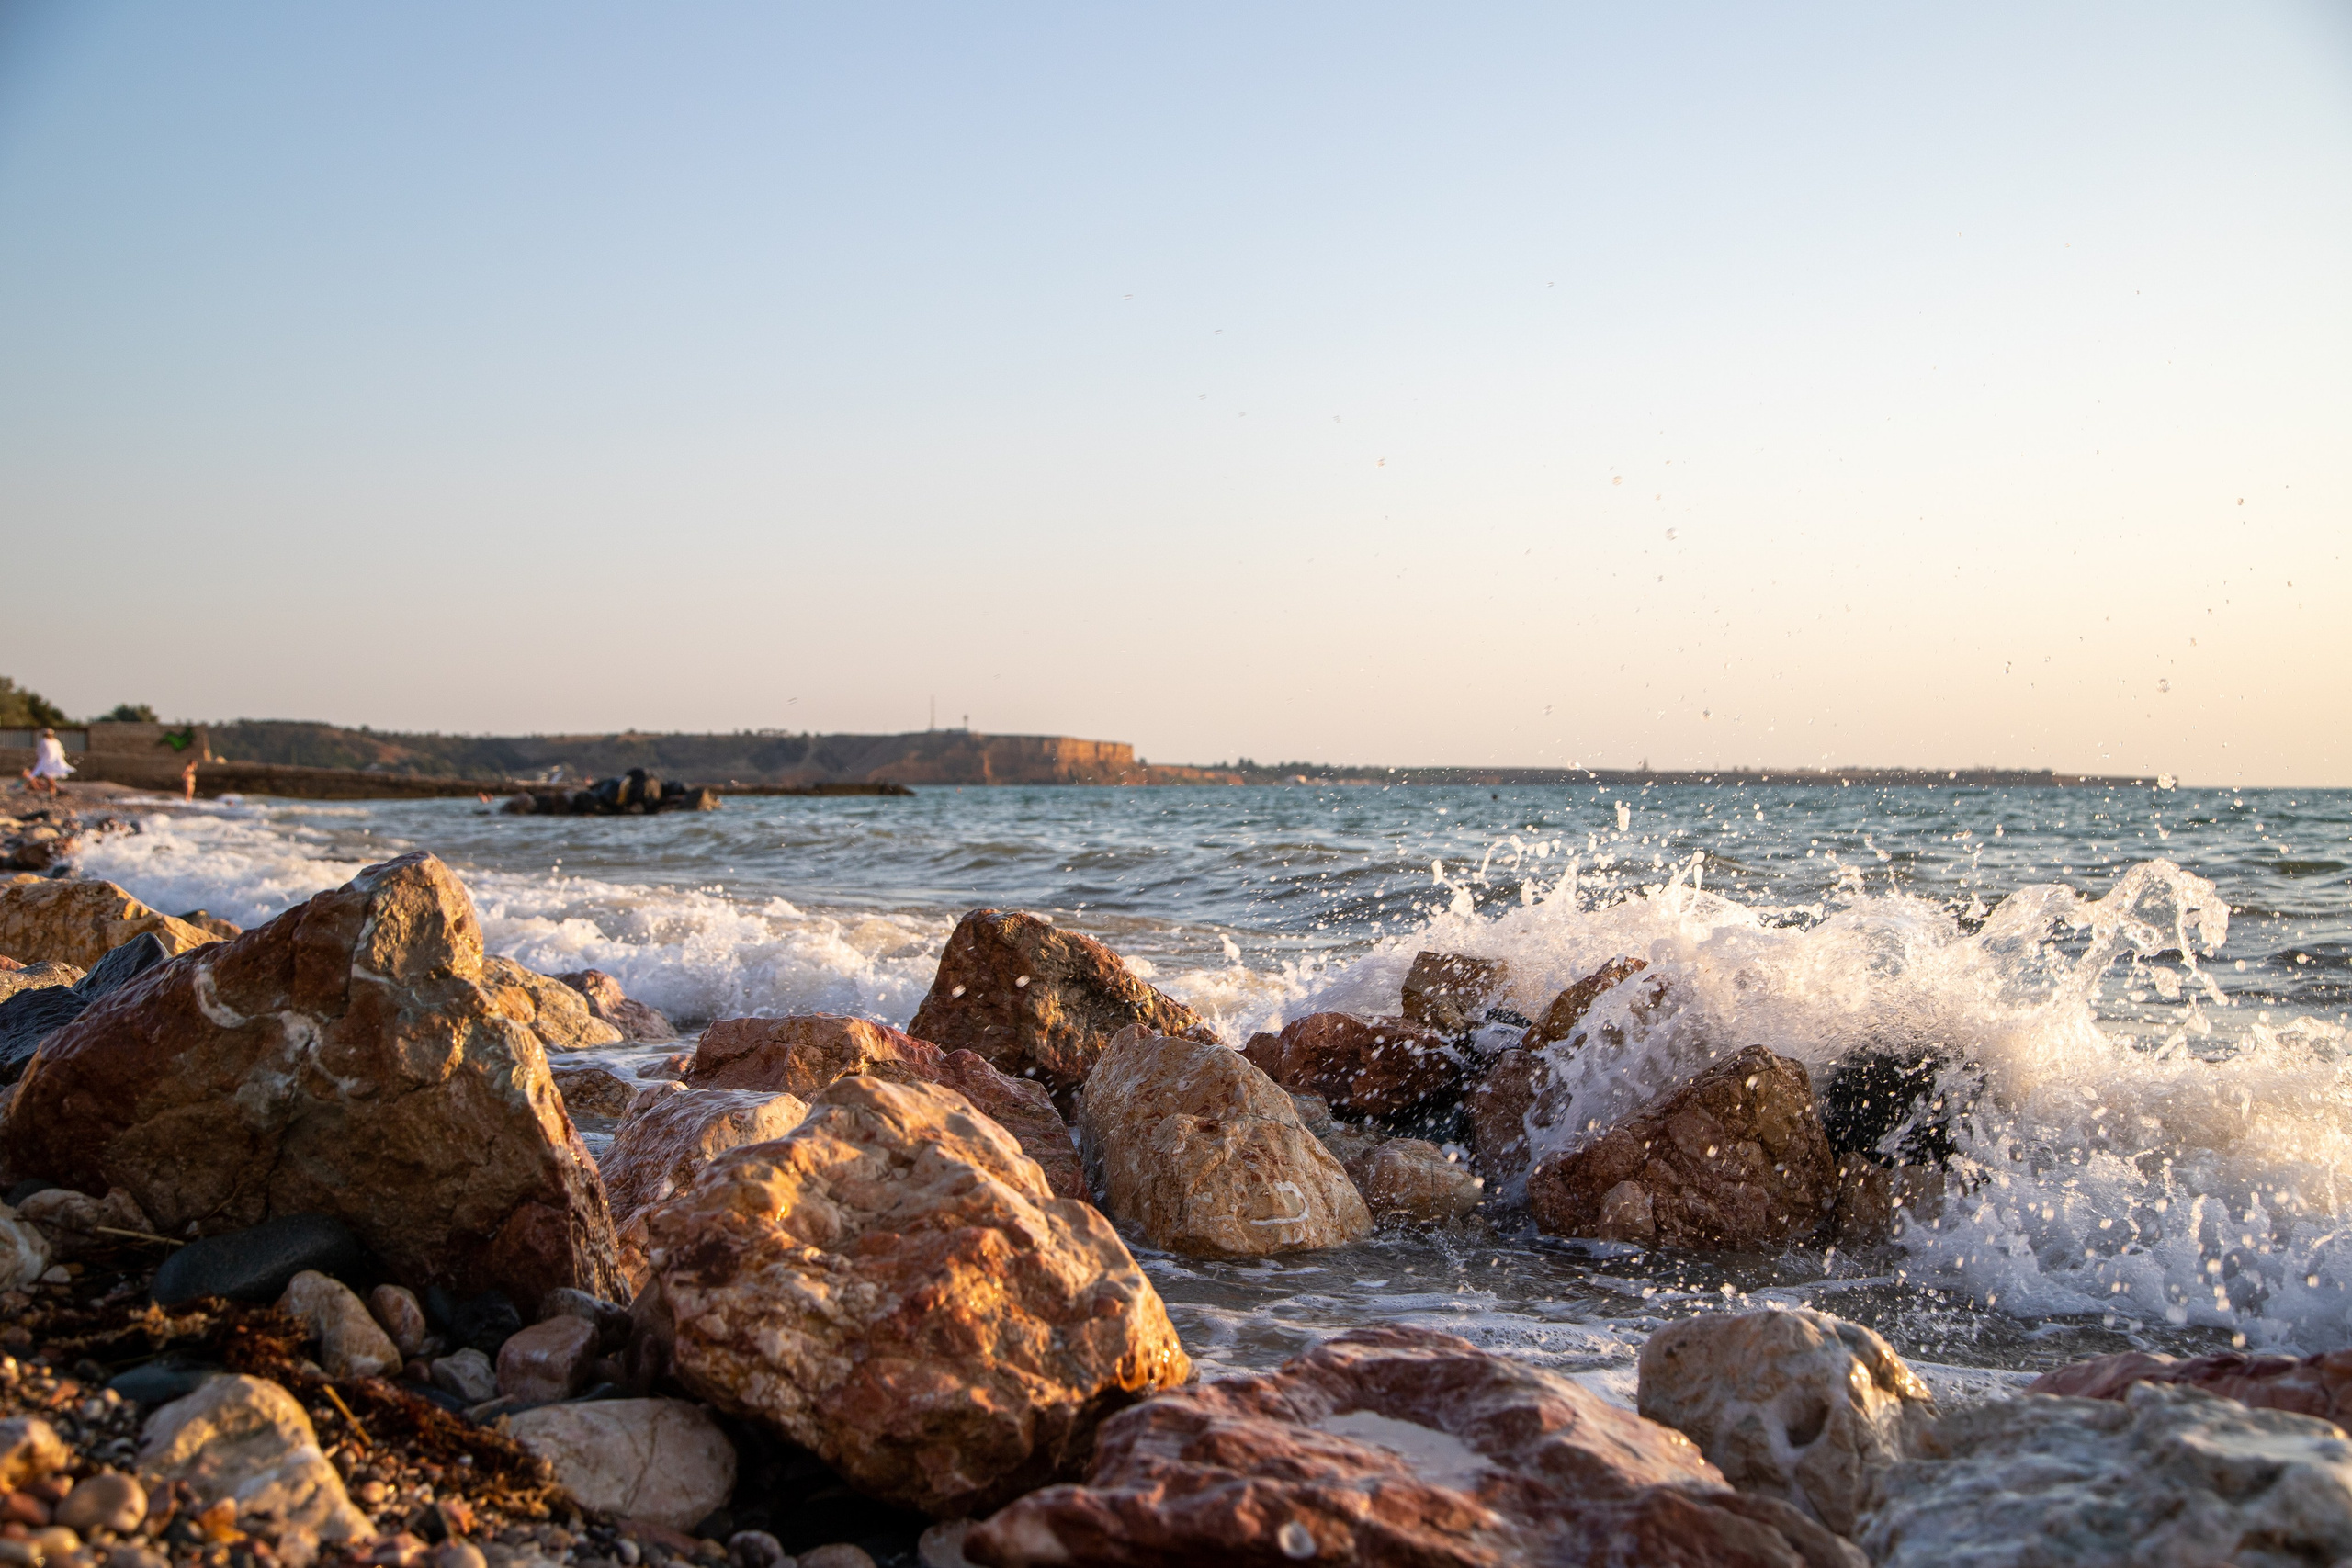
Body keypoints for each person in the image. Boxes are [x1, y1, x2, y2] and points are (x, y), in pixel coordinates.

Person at [25, 728, 74, 796]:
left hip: (49, 762)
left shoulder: (46, 741)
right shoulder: (54, 742)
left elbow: (40, 752)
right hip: (51, 762)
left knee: (49, 777)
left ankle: (53, 792)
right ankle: (53, 792)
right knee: (49, 777)